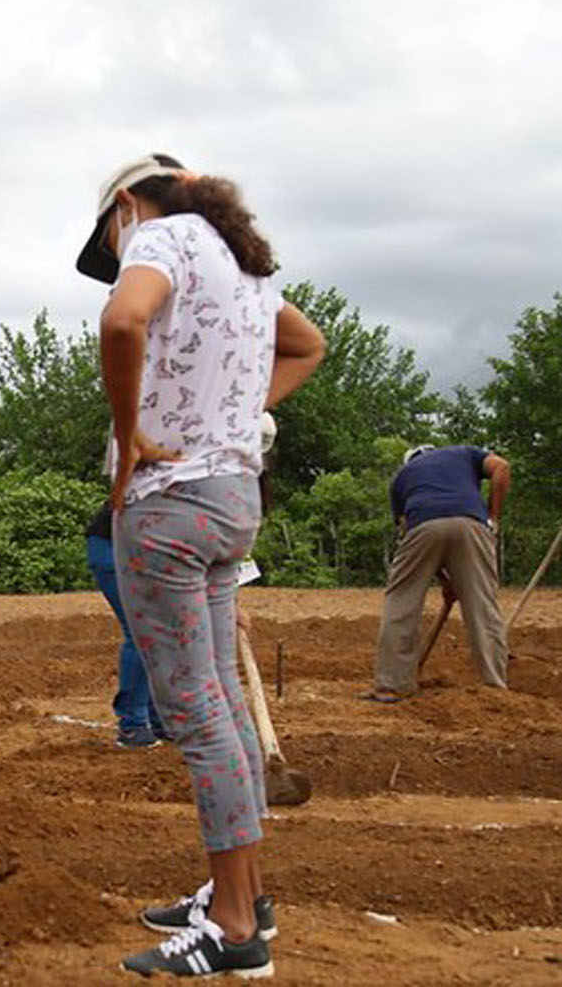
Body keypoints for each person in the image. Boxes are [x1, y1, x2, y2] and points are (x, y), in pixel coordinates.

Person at [81, 153, 326, 977]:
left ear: (125, 205)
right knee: (218, 692)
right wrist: (230, 411)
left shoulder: (161, 240)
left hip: (167, 507)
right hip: (231, 499)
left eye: (111, 237)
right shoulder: (243, 264)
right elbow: (308, 345)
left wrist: (130, 441)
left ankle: (231, 929)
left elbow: (122, 324)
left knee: (194, 710)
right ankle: (244, 894)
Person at [362, 443, 510, 701]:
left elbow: (412, 534)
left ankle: (393, 684)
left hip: (423, 525)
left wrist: (443, 577)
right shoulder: (465, 453)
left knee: (401, 601)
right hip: (472, 524)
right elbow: (502, 468)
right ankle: (494, 685)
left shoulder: (401, 479)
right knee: (483, 606)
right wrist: (493, 516)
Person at [86, 497, 167, 748]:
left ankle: (160, 720)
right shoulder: (185, 486)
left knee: (161, 633)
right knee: (142, 631)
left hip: (141, 549)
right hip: (114, 546)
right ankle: (132, 725)